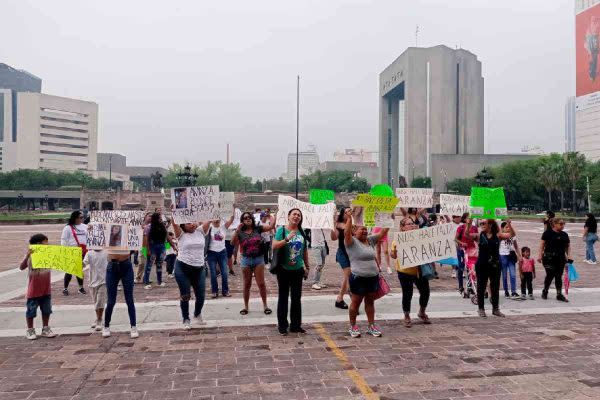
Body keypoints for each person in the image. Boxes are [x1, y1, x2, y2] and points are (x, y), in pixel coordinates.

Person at [344, 209, 388, 338]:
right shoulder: (351, 242)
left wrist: (387, 218)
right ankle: (353, 326)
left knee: (370, 302)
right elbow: (346, 232)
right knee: (355, 303)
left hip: (372, 278)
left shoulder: (370, 240)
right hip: (358, 278)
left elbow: (382, 232)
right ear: (354, 231)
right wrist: (349, 218)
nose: (364, 231)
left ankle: (371, 326)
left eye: (365, 229)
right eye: (360, 229)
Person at [467, 218, 516, 317]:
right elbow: (467, 235)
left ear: (490, 225)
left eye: (484, 223)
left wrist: (508, 223)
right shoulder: (479, 236)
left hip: (495, 264)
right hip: (482, 264)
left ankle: (495, 309)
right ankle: (481, 309)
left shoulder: (498, 235)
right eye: (481, 223)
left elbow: (512, 234)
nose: (482, 224)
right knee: (481, 287)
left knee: (495, 287)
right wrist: (468, 224)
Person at [272, 208, 310, 335]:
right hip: (283, 269)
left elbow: (304, 250)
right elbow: (274, 245)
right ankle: (282, 326)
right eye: (294, 214)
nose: (296, 216)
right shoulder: (282, 230)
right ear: (288, 216)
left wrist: (307, 267)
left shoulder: (302, 232)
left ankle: (295, 325)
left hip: (298, 269)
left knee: (296, 298)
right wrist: (287, 239)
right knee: (283, 298)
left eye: (299, 215)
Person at [171, 218, 213, 329]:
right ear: (183, 225)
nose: (192, 224)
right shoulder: (180, 233)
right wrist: (174, 211)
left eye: (193, 222)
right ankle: (186, 318)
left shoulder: (200, 231)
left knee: (201, 295)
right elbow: (174, 222)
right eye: (189, 223)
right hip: (182, 267)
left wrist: (214, 207)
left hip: (199, 268)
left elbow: (209, 219)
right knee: (185, 295)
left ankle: (197, 313)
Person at [232, 211, 276, 315]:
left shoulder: (258, 228)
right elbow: (232, 242)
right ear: (242, 221)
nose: (248, 219)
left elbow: (271, 226)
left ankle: (265, 305)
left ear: (252, 219)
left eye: (249, 217)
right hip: (246, 260)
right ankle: (245, 307)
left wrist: (271, 216)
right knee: (247, 284)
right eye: (245, 218)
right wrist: (237, 231)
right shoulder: (240, 231)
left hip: (258, 259)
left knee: (261, 284)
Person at [391, 217, 431, 327]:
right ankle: (407, 315)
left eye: (412, 223)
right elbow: (393, 255)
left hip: (419, 270)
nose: (412, 225)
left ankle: (421, 312)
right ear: (403, 228)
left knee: (425, 291)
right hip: (405, 271)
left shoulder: (420, 237)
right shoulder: (398, 240)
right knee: (408, 293)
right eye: (408, 224)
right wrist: (396, 251)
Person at [20, 234, 57, 340]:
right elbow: (21, 267)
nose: (47, 244)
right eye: (45, 242)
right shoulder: (31, 255)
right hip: (34, 290)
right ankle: (30, 330)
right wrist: (27, 256)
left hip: (46, 289)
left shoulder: (48, 254)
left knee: (47, 310)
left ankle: (46, 329)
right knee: (31, 311)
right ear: (38, 244)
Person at [103, 250, 138, 338]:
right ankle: (106, 325)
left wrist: (134, 248)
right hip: (112, 265)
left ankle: (133, 326)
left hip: (126, 264)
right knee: (111, 301)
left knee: (129, 299)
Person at [537, 218, 571, 302]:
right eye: (561, 224)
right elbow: (542, 245)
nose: (563, 225)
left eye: (563, 224)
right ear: (554, 224)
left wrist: (569, 256)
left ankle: (559, 294)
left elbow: (568, 246)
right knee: (550, 274)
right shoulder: (547, 233)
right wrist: (539, 255)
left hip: (560, 258)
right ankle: (545, 291)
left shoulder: (565, 234)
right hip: (548, 258)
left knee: (558, 276)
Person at [207, 215, 234, 298]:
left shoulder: (223, 227)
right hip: (211, 252)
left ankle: (225, 291)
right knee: (213, 273)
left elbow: (231, 218)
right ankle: (214, 291)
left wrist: (232, 207)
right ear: (211, 220)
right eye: (214, 218)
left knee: (225, 272)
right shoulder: (209, 228)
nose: (216, 220)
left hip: (222, 252)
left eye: (217, 219)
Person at [61, 210, 87, 296]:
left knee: (79, 270)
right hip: (71, 251)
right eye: (81, 217)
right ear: (75, 218)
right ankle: (65, 288)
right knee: (69, 270)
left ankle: (81, 287)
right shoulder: (68, 228)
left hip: (82, 251)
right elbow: (64, 240)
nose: (82, 219)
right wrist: (65, 251)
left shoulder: (85, 226)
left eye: (83, 217)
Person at [84, 249, 108, 331]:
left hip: (104, 281)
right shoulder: (89, 253)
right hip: (92, 281)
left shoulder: (106, 252)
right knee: (95, 302)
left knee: (100, 301)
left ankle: (99, 320)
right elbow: (84, 263)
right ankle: (98, 317)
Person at [142, 212, 167, 289]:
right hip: (152, 247)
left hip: (161, 246)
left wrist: (167, 248)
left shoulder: (163, 227)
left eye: (161, 218)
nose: (161, 220)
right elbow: (145, 240)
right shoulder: (148, 227)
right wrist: (146, 250)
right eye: (159, 218)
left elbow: (166, 238)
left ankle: (159, 281)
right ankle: (146, 282)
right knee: (149, 265)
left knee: (159, 264)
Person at [456, 213, 478, 297]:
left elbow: (476, 238)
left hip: (472, 250)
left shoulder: (474, 228)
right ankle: (461, 287)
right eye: (469, 217)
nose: (471, 219)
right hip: (462, 250)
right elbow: (456, 239)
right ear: (465, 219)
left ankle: (470, 287)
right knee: (461, 268)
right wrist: (462, 243)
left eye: (472, 218)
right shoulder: (461, 228)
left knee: (471, 268)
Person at [334, 207, 352, 310]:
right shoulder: (340, 225)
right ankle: (343, 298)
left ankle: (340, 299)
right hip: (342, 252)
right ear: (343, 214)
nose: (350, 212)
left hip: (352, 253)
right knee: (348, 275)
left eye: (351, 211)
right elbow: (334, 237)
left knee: (350, 276)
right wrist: (332, 226)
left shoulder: (354, 224)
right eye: (348, 211)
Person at [499, 221, 521, 298]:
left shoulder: (512, 235)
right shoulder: (500, 236)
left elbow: (516, 246)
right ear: (502, 228)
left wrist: (519, 255)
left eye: (509, 227)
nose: (508, 229)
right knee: (504, 275)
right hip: (503, 256)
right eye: (506, 227)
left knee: (513, 275)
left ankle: (513, 291)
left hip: (511, 256)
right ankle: (506, 291)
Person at [135, 212, 152, 283]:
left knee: (149, 263)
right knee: (141, 262)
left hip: (150, 246)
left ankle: (146, 277)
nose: (150, 217)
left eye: (151, 216)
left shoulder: (153, 226)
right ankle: (138, 277)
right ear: (145, 217)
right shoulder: (140, 225)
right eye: (149, 216)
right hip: (143, 246)